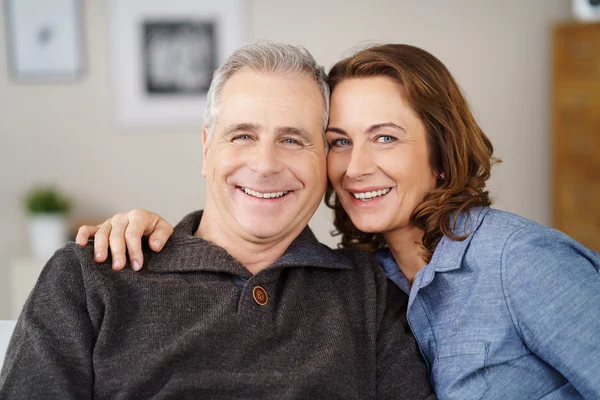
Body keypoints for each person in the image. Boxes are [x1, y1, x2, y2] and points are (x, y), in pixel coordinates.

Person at [82, 43, 600, 399]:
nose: (355, 167)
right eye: (339, 142)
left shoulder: (519, 261)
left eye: (386, 137)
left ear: (440, 153)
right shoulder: (377, 278)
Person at [0, 41, 435, 399]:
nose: (265, 164)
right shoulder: (88, 274)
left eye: (292, 139)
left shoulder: (371, 291)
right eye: (243, 135)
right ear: (207, 149)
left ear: (324, 160)